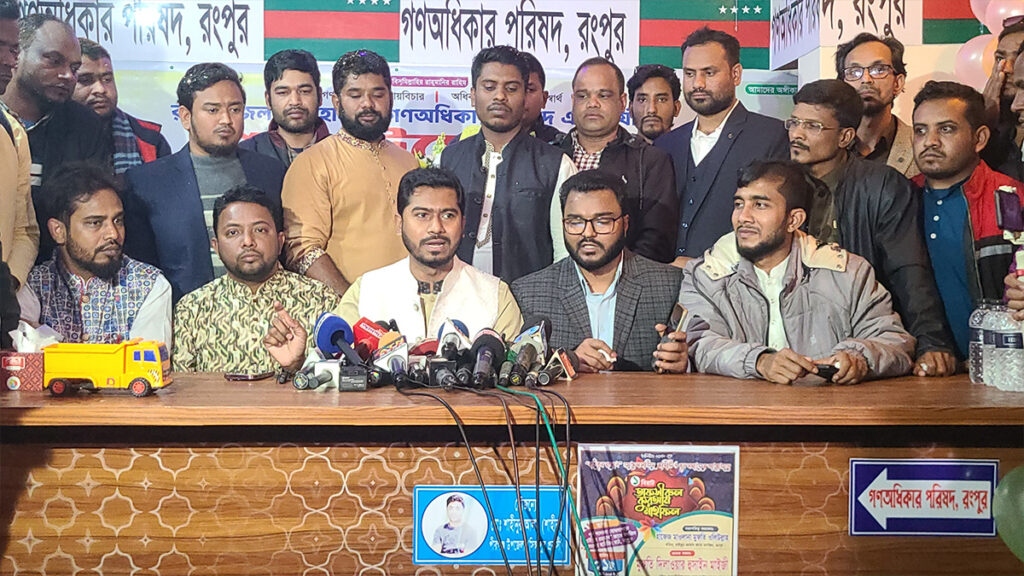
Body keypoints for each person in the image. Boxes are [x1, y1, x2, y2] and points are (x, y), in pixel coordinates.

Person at [679, 160, 915, 384]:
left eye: (760, 205)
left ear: (794, 220)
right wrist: (759, 361)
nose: (743, 217)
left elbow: (894, 341)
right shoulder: (706, 275)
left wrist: (858, 358)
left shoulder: (848, 273)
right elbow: (700, 344)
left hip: (830, 409)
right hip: (739, 410)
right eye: (739, 204)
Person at [788, 79, 957, 377]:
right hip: (794, 342)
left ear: (845, 137)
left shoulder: (883, 186)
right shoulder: (780, 184)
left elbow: (908, 269)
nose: (797, 134)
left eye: (813, 126)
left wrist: (932, 341)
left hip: (867, 338)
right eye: (794, 122)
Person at [123, 62, 286, 302]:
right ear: (185, 116)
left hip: (267, 313)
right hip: (182, 316)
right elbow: (142, 269)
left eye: (235, 109)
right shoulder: (147, 183)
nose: (226, 120)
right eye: (212, 110)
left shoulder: (270, 172)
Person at [511, 170, 687, 373]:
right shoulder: (529, 293)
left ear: (625, 224)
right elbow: (521, 367)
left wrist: (683, 363)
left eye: (602, 222)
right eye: (575, 222)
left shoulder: (668, 285)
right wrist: (568, 360)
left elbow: (684, 363)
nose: (588, 233)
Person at [282, 49, 419, 296]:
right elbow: (303, 250)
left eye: (378, 94)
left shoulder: (408, 162)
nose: (368, 104)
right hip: (345, 311)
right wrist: (351, 305)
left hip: (412, 304)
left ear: (391, 98)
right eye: (355, 95)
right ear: (336, 102)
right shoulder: (313, 163)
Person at [335, 167, 522, 343]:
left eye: (448, 215)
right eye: (422, 215)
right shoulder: (366, 291)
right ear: (399, 224)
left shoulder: (495, 296)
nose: (436, 228)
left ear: (463, 224)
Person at [440, 46, 576, 283]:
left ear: (524, 97)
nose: (500, 96)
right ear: (472, 95)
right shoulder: (448, 159)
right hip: (457, 293)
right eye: (489, 87)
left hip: (529, 297)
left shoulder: (555, 165)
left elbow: (565, 253)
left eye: (511, 88)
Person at [173, 185, 341, 376]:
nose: (248, 241)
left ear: (280, 241)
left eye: (260, 230)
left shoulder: (321, 299)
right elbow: (181, 388)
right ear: (216, 247)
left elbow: (341, 382)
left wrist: (298, 366)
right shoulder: (192, 309)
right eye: (233, 232)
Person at [655, 27, 789, 264]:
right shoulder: (666, 145)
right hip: (666, 279)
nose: (698, 83)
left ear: (736, 74)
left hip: (740, 279)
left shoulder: (771, 136)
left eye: (709, 73)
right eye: (689, 73)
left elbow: (777, 223)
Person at [910, 80, 1024, 358]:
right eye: (920, 130)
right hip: (918, 368)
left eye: (946, 129)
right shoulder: (898, 199)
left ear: (980, 138)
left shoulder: (1013, 198)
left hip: (1002, 366)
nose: (930, 141)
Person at [17, 163, 171, 345]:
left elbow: (146, 360)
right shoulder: (33, 285)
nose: (113, 234)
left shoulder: (148, 284)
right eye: (95, 223)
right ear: (58, 231)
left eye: (118, 220)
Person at [0, 14, 109, 264]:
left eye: (74, 68)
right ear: (18, 54)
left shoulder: (86, 126)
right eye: (54, 61)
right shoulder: (5, 125)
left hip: (57, 269)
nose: (68, 76)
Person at [558, 57, 678, 264]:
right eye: (583, 95)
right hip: (553, 278)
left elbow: (656, 239)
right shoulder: (549, 156)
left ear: (622, 102)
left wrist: (614, 276)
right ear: (573, 100)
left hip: (626, 278)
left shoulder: (649, 160)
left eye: (603, 95)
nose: (592, 103)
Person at [72, 38, 171, 174]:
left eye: (107, 79)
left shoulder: (150, 139)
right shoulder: (50, 136)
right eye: (86, 80)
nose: (100, 89)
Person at [835, 32, 918, 178]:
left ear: (897, 83)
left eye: (878, 70)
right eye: (854, 72)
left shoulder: (919, 145)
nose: (866, 79)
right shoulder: (828, 145)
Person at [0, 0, 38, 292]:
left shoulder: (14, 133)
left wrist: (8, 283)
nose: (7, 60)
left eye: (13, 50)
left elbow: (25, 231)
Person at [239, 49, 331, 168]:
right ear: (268, 100)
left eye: (304, 91)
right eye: (283, 93)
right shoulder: (246, 155)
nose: (295, 101)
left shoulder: (343, 153)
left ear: (319, 96)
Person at [981, 20, 1024, 181]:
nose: (1006, 68)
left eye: (1017, 56)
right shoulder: (989, 119)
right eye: (1000, 59)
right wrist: (983, 119)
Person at [628, 63, 681, 143]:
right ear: (631, 109)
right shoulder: (615, 150)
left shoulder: (692, 149)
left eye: (661, 100)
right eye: (642, 100)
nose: (651, 110)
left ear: (676, 108)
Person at [520, 51, 563, 145]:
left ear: (544, 99)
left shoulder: (560, 144)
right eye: (512, 89)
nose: (520, 97)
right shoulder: (487, 146)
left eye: (529, 89)